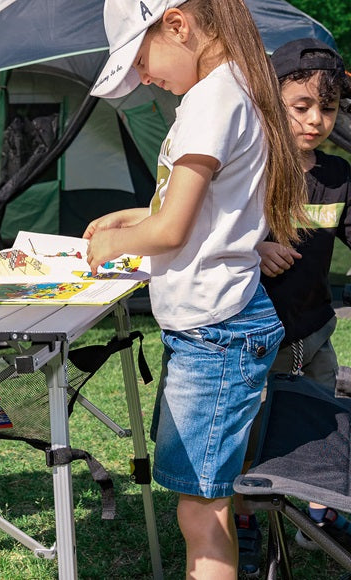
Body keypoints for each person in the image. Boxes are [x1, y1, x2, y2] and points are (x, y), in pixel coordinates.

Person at [87, 0, 306, 577]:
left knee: (201, 511)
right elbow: (208, 211)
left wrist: (112, 246)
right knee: (205, 499)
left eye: (139, 59)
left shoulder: (211, 99)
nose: (141, 77)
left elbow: (172, 228)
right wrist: (129, 218)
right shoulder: (233, 88)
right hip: (219, 326)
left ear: (178, 25)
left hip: (217, 331)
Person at [232, 38, 351, 576]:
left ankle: (319, 517)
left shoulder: (338, 177)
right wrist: (253, 248)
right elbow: (216, 232)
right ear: (270, 104)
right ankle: (247, 526)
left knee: (317, 427)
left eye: (327, 109)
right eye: (300, 107)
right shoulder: (251, 168)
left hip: (316, 330)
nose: (315, 120)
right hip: (255, 337)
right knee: (254, 441)